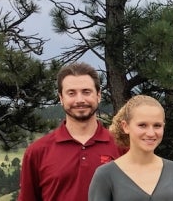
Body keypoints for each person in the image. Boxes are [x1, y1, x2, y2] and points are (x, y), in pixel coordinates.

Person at [19, 62, 124, 201]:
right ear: (61, 98)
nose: (79, 100)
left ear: (98, 95)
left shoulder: (123, 146)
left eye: (86, 92)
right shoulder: (37, 152)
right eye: (71, 93)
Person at [89, 95, 173, 200]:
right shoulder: (105, 174)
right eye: (142, 125)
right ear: (125, 126)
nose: (151, 133)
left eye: (157, 125)